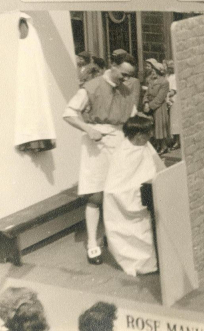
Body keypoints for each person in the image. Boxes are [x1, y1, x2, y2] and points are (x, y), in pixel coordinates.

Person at [63, 50, 139, 265]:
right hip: (97, 144)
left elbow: (131, 117)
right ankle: (92, 243)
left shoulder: (126, 90)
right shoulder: (93, 86)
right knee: (96, 196)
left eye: (129, 75)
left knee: (119, 194)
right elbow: (68, 113)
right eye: (123, 74)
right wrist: (87, 129)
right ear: (112, 65)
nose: (126, 79)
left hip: (120, 143)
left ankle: (115, 239)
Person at [103, 115, 160, 277]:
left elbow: (155, 169)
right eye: (148, 134)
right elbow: (115, 187)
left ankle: (152, 260)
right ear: (137, 136)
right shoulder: (123, 154)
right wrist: (136, 194)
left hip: (146, 194)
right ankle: (142, 264)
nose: (151, 136)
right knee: (136, 232)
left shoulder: (145, 146)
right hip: (124, 203)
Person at [143, 58, 170, 154]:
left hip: (159, 107)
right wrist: (145, 102)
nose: (152, 72)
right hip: (150, 106)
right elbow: (147, 93)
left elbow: (160, 98)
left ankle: (164, 146)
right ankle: (158, 145)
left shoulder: (164, 82)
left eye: (154, 70)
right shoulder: (152, 81)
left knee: (159, 128)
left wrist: (150, 106)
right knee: (153, 128)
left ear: (159, 71)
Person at [165, 60, 181, 150]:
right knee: (171, 121)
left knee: (175, 120)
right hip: (168, 99)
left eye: (172, 66)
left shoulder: (175, 76)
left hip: (174, 99)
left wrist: (167, 95)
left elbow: (174, 90)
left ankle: (177, 141)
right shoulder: (168, 76)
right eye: (169, 66)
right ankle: (173, 139)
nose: (170, 67)